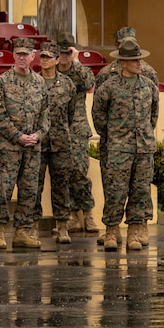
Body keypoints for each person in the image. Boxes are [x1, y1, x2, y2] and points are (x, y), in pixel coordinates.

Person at [92, 37, 158, 252]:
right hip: (119, 148)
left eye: (139, 59)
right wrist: (114, 136)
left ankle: (134, 233)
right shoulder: (109, 87)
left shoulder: (149, 86)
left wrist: (144, 135)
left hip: (144, 148)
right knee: (115, 191)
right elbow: (98, 116)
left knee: (140, 192)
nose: (139, 63)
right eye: (134, 60)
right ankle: (111, 231)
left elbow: (153, 115)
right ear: (122, 63)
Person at [0, 37, 49, 250]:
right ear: (14, 56)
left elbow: (45, 114)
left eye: (26, 54)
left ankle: (22, 231)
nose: (22, 58)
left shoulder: (40, 82)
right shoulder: (2, 82)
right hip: (9, 148)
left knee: (30, 190)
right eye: (19, 54)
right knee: (3, 189)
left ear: (33, 56)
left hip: (33, 148)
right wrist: (18, 136)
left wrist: (39, 135)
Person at [54, 32, 100, 234]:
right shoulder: (50, 71)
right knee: (62, 175)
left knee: (80, 172)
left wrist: (76, 61)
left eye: (67, 52)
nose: (64, 56)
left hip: (77, 128)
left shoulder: (80, 71)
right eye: (61, 52)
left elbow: (89, 84)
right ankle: (71, 216)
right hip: (57, 130)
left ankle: (88, 214)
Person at [36, 41, 78, 243]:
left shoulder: (67, 84)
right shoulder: (33, 82)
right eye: (42, 56)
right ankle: (32, 226)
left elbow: (70, 114)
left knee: (61, 186)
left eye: (47, 57)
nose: (44, 60)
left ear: (56, 60)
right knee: (34, 185)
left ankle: (62, 227)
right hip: (37, 142)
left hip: (60, 143)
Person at [95, 26, 159, 91]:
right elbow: (98, 98)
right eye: (124, 43)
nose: (128, 46)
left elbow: (155, 97)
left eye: (131, 43)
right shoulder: (106, 73)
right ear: (117, 45)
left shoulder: (148, 72)